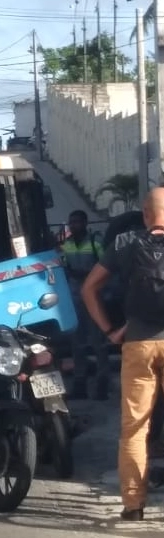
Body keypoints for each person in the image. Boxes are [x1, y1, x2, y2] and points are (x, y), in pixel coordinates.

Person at [81, 187, 164, 521]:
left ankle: (133, 505)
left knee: (134, 428)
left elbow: (89, 289)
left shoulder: (125, 244)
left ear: (145, 214)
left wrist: (109, 330)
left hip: (138, 343)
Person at [60, 209, 109, 400]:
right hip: (75, 299)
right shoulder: (67, 244)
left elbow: (105, 265)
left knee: (98, 342)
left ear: (85, 223)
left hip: (94, 298)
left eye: (77, 222)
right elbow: (64, 267)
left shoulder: (95, 241)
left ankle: (102, 383)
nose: (73, 226)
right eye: (71, 222)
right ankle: (80, 383)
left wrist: (89, 276)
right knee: (77, 343)